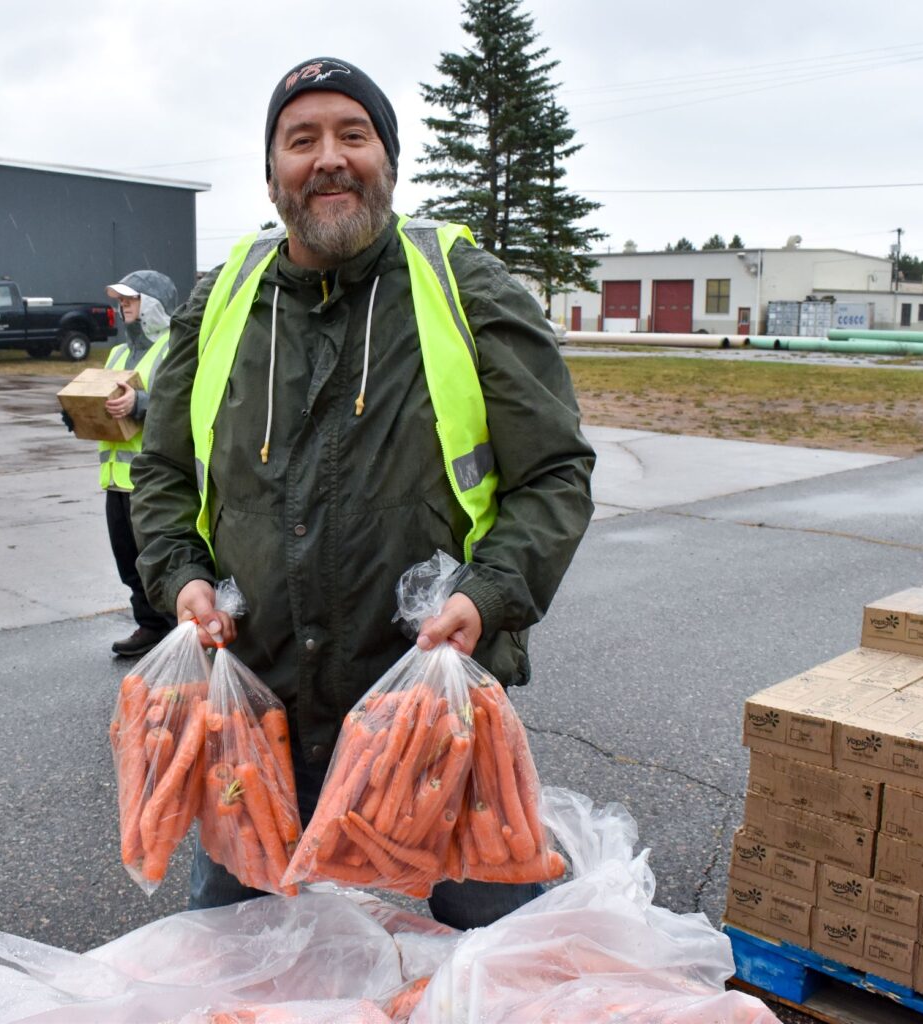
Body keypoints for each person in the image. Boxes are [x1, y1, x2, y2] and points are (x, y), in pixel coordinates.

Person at [130, 57, 596, 928]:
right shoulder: (220, 300)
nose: (329, 158)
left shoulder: (464, 286)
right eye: (300, 139)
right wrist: (179, 577)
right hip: (257, 720)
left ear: (389, 159)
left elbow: (555, 474)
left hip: (434, 723)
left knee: (488, 973)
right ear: (272, 173)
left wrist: (489, 594)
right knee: (240, 969)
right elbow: (160, 474)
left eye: (354, 134)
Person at [63, 270, 180, 658]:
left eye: (131, 299)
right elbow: (100, 401)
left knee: (159, 562)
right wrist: (77, 413)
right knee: (129, 563)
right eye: (121, 299)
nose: (122, 305)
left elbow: (184, 405)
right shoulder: (116, 354)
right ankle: (149, 626)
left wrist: (141, 405)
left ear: (154, 306)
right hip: (117, 481)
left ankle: (175, 631)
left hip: (153, 480)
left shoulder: (173, 347)